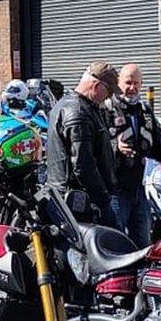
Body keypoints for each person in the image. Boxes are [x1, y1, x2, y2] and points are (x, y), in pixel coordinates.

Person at [103, 63, 161, 246]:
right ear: (118, 83)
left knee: (144, 242)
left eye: (137, 83)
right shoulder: (105, 108)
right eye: (128, 82)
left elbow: (158, 146)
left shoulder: (144, 110)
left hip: (141, 188)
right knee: (117, 242)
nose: (132, 88)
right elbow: (94, 145)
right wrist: (115, 146)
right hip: (115, 189)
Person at [46, 61, 120, 225]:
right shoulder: (78, 112)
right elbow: (82, 165)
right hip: (80, 203)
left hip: (70, 198)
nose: (108, 97)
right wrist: (102, 198)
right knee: (103, 246)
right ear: (96, 85)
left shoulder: (68, 105)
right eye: (108, 91)